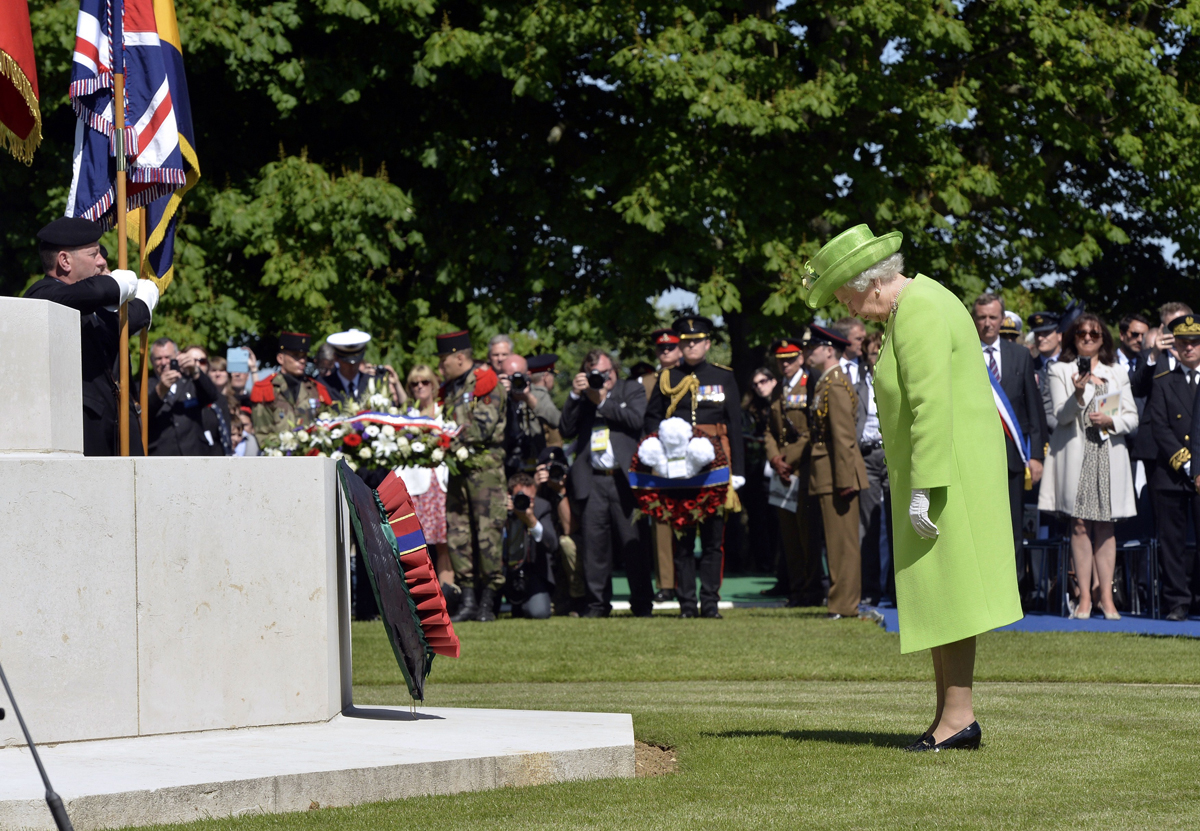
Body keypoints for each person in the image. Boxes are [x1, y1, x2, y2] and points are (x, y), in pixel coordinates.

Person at [811, 224, 1021, 751]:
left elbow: (930, 404)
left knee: (951, 597)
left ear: (872, 282)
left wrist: (925, 485)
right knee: (938, 596)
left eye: (847, 296)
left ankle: (959, 717)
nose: (851, 309)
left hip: (945, 474)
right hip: (944, 471)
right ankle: (947, 717)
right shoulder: (919, 302)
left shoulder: (920, 307)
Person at [24, 216, 159, 455]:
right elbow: (98, 291)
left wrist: (145, 298)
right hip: (82, 438)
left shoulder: (91, 307)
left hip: (116, 433)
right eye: (93, 254)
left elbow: (126, 319)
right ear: (64, 260)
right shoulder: (43, 295)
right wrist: (120, 284)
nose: (102, 261)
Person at [645, 315, 745, 619]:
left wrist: (737, 470)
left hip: (716, 463)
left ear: (707, 343)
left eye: (697, 341)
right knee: (683, 537)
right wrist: (657, 454)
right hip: (678, 466)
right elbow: (651, 419)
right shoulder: (667, 379)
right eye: (686, 342)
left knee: (714, 539)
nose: (691, 347)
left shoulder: (723, 377)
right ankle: (687, 605)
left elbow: (735, 425)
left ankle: (710, 603)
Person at [1039, 313, 1138, 621]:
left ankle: (1106, 598)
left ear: (1102, 339)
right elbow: (1060, 417)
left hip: (1107, 454)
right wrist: (1079, 394)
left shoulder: (1116, 372)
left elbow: (1132, 418)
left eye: (1094, 334)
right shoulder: (1060, 370)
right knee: (1080, 526)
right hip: (1075, 455)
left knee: (1106, 526)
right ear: (1073, 337)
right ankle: (1083, 597)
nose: (1087, 338)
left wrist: (1112, 420)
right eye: (1081, 333)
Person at [561, 349, 652, 617]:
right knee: (594, 547)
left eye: (607, 372)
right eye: (595, 374)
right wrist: (576, 396)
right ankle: (597, 605)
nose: (603, 378)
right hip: (594, 481)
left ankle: (642, 603)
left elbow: (636, 420)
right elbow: (565, 429)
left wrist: (601, 402)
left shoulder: (631, 390)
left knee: (633, 543)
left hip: (624, 479)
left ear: (615, 369)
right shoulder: (583, 397)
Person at [972, 293, 1048, 599]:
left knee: (1013, 527)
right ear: (974, 319)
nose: (988, 323)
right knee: (977, 527)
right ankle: (979, 592)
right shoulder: (960, 353)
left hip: (1013, 457)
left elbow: (1034, 410)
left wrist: (1038, 456)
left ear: (1002, 319)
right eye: (982, 317)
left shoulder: (1020, 355)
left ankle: (1011, 592)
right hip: (974, 456)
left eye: (993, 317)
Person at [438, 329, 508, 623]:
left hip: (486, 473)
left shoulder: (485, 382)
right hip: (459, 470)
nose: (441, 367)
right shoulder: (451, 387)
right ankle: (467, 598)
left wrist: (441, 440)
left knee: (488, 533)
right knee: (458, 532)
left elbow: (482, 428)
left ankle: (488, 601)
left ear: (459, 357)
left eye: (444, 360)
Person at [805, 324, 869, 619]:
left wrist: (845, 479)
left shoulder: (834, 384)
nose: (807, 353)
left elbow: (844, 437)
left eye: (812, 348)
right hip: (829, 472)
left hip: (837, 474)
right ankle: (841, 602)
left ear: (828, 350)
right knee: (836, 541)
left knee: (842, 542)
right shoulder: (826, 381)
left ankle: (844, 604)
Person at [1150, 316, 1200, 622]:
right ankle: (1177, 601)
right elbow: (1160, 425)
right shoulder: (1164, 381)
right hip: (1172, 473)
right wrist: (1190, 464)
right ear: (1176, 346)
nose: (1189, 348)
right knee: (1172, 543)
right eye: (1183, 342)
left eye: (1195, 342)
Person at [764, 337, 815, 606]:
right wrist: (774, 458)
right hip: (782, 471)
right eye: (781, 360)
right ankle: (796, 590)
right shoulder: (777, 389)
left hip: (803, 469)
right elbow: (770, 431)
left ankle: (811, 589)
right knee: (790, 536)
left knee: (807, 533)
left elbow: (811, 431)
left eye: (790, 359)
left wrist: (787, 458)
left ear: (801, 358)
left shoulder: (810, 385)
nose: (785, 365)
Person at [398, 364, 453, 596]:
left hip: (440, 484)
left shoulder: (445, 413)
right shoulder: (404, 417)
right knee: (416, 545)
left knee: (444, 543)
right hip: (415, 486)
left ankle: (449, 595)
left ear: (434, 384)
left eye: (425, 382)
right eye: (414, 383)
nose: (420, 387)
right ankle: (422, 597)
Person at [645, 327, 683, 602]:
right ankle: (666, 584)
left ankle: (689, 582)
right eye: (661, 349)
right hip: (660, 456)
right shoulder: (646, 382)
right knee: (661, 521)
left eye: (671, 348)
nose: (666, 352)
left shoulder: (692, 376)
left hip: (692, 455)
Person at [853, 327, 890, 607]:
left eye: (878, 353)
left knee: (896, 522)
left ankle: (897, 589)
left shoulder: (895, 377)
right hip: (866, 455)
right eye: (869, 354)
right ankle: (870, 589)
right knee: (867, 524)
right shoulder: (857, 381)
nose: (873, 358)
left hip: (893, 455)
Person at [146, 339, 222, 456]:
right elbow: (141, 417)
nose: (164, 362)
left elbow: (211, 396)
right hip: (161, 457)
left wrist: (195, 371)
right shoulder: (143, 386)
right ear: (151, 360)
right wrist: (160, 391)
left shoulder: (191, 382)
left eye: (168, 357)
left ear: (177, 356)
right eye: (159, 358)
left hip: (194, 456)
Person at [250, 332, 333, 433]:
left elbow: (326, 423)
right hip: (277, 447)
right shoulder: (267, 389)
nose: (302, 361)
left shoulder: (315, 389)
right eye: (296, 356)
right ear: (280, 358)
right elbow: (262, 432)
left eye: (304, 356)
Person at [744, 365, 782, 583]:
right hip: (759, 472)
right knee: (759, 520)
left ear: (773, 381)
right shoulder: (750, 410)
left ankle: (777, 565)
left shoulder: (783, 401)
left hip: (782, 467)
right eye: (755, 384)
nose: (759, 387)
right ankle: (763, 562)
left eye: (763, 382)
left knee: (778, 520)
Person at [503, 473, 559, 619]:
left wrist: (531, 520)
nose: (525, 502)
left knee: (539, 612)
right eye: (521, 497)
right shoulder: (500, 507)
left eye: (530, 499)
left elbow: (552, 544)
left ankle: (525, 603)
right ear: (509, 496)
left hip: (532, 570)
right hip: (503, 571)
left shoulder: (541, 507)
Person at [500, 353, 561, 476]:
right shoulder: (496, 394)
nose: (515, 382)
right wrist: (499, 394)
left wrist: (528, 398)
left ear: (527, 375)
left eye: (519, 378)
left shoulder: (537, 394)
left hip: (534, 465)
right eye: (510, 378)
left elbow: (557, 420)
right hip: (504, 464)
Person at [324, 329, 403, 409]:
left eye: (356, 361)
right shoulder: (325, 386)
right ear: (336, 358)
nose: (352, 366)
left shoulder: (377, 384)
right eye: (346, 362)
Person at [1029, 311, 1063, 431]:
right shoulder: (1029, 366)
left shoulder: (1070, 364)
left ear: (1059, 335)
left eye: (1046, 333)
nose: (1040, 338)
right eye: (1037, 334)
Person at [527, 353, 563, 446]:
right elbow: (558, 421)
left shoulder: (524, 392)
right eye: (552, 375)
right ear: (546, 377)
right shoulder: (541, 395)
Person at [833, 317, 865, 384]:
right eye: (859, 339)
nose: (864, 343)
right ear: (843, 339)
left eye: (864, 338)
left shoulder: (868, 366)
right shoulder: (830, 365)